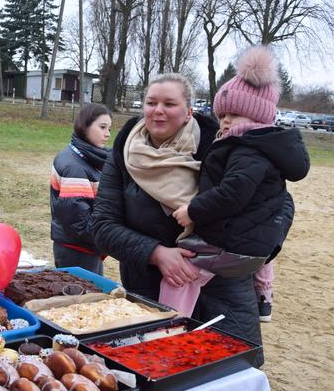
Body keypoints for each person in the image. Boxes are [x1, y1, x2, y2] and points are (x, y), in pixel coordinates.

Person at [92, 72, 270, 364]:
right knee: (159, 374)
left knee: (226, 380)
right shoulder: (124, 153)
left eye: (169, 104)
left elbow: (273, 211)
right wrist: (157, 253)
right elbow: (101, 226)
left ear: (189, 111)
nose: (158, 110)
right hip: (149, 292)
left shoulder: (225, 148)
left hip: (223, 295)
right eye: (151, 102)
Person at [167, 46, 309, 327]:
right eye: (222, 115)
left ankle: (170, 322)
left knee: (182, 272)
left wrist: (193, 211)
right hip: (259, 244)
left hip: (233, 246)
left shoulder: (248, 150)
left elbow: (232, 193)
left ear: (258, 116)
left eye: (235, 114)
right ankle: (264, 295)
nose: (226, 120)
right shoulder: (265, 147)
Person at [50, 103, 112, 274]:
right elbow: (79, 224)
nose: (107, 134)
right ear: (85, 126)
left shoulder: (85, 157)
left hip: (87, 247)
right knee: (83, 298)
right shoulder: (74, 167)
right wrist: (112, 236)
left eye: (109, 129)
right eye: (102, 127)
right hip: (77, 251)